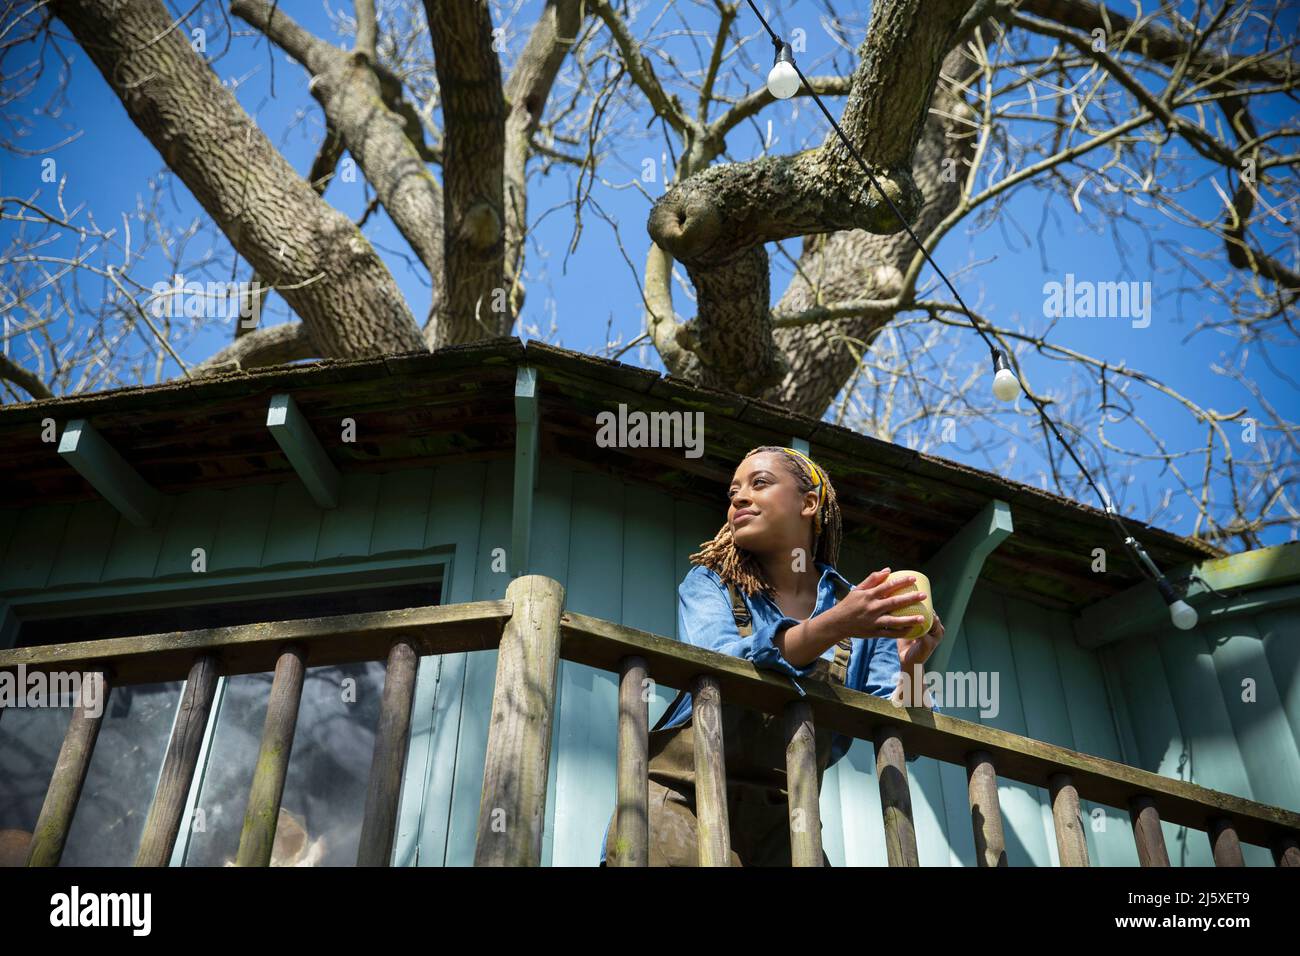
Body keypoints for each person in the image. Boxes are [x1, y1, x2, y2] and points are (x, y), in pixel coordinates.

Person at [599, 445, 945, 866]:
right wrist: (835, 624)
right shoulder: (711, 583)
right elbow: (721, 664)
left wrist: (913, 664)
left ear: (809, 503)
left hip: (788, 824)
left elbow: (904, 738)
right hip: (681, 800)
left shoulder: (863, 610)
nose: (739, 498)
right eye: (733, 493)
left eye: (759, 483)